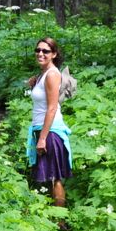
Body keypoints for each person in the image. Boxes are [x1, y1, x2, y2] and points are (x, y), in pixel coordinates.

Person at [25, 37, 72, 207]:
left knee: (55, 178)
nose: (40, 54)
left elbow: (52, 108)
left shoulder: (52, 74)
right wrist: (34, 84)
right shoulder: (43, 74)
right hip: (43, 129)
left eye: (45, 51)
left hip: (51, 132)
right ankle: (52, 216)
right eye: (38, 50)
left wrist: (43, 138)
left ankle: (60, 219)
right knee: (49, 178)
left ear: (54, 54)